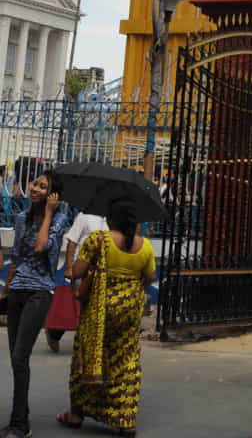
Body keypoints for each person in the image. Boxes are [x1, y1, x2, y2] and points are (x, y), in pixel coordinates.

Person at [56, 197, 156, 438]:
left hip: (98, 312)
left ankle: (77, 413)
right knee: (125, 360)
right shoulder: (146, 246)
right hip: (129, 313)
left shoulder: (98, 241)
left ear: (110, 219)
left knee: (88, 356)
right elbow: (150, 278)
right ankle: (125, 419)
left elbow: (77, 271)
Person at [2, 170, 67, 438]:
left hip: (40, 292)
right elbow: (17, 256)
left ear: (53, 195)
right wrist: (5, 290)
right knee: (17, 359)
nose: (35, 189)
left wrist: (50, 213)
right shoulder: (19, 218)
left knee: (20, 356)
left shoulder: (60, 219)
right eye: (35, 184)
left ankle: (20, 423)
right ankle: (21, 416)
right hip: (17, 291)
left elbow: (41, 247)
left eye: (43, 186)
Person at [45, 211, 109, 353]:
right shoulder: (84, 216)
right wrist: (68, 267)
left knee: (95, 307)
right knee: (79, 305)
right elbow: (72, 241)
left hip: (101, 271)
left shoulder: (112, 219)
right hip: (81, 269)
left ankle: (88, 342)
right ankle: (54, 333)